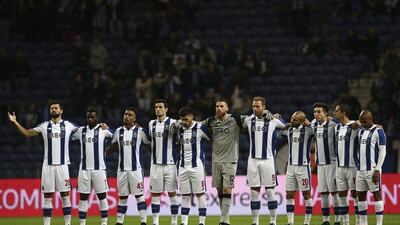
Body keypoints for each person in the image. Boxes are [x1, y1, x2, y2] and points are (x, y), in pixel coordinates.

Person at [8, 101, 77, 225]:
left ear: (61, 111)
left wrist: (100, 127)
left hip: (63, 165)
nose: (53, 110)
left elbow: (85, 131)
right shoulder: (44, 126)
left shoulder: (68, 125)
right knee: (47, 196)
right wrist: (15, 122)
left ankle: (68, 224)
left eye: (56, 108)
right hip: (47, 166)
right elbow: (27, 133)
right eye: (52, 108)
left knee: (65, 195)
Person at [242, 97, 285, 225]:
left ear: (264, 107)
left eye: (257, 106)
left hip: (268, 160)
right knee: (254, 192)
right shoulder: (249, 120)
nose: (255, 109)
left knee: (270, 191)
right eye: (253, 106)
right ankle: (255, 222)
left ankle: (273, 221)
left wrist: (275, 116)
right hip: (253, 160)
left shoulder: (272, 121)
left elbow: (284, 124)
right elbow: (240, 120)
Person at [201, 97, 242, 225]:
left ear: (227, 108)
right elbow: (196, 125)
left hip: (230, 160)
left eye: (221, 106)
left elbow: (253, 119)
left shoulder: (235, 119)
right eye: (217, 106)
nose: (218, 108)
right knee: (219, 190)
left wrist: (268, 115)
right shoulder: (211, 121)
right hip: (216, 161)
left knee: (227, 189)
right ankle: (225, 218)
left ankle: (224, 220)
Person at [107, 107, 149, 225]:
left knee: (139, 196)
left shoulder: (140, 131)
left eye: (130, 115)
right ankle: (119, 222)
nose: (126, 116)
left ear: (134, 118)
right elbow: (112, 149)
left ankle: (143, 221)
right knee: (122, 197)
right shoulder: (118, 131)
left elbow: (149, 146)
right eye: (125, 114)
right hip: (121, 170)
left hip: (135, 170)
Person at [71, 108, 113, 225]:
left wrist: (108, 128)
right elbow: (69, 137)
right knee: (83, 198)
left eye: (92, 117)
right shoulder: (81, 131)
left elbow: (115, 137)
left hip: (99, 169)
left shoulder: (103, 130)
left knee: (102, 197)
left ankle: (104, 223)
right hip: (84, 170)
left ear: (97, 118)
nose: (90, 119)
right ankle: (82, 223)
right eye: (88, 117)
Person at [177, 106, 211, 225]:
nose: (184, 122)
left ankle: (202, 222)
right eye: (182, 120)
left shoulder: (201, 127)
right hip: (182, 166)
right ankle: (184, 222)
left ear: (192, 117)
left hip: (197, 166)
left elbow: (211, 139)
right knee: (185, 195)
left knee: (200, 194)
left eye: (186, 119)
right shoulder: (179, 128)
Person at [148, 99, 180, 225]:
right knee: (155, 194)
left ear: (166, 109)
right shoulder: (151, 124)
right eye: (156, 107)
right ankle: (155, 222)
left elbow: (179, 141)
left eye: (160, 107)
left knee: (172, 194)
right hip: (155, 165)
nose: (158, 109)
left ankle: (174, 221)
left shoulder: (173, 123)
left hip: (170, 164)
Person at [311, 103, 341, 225]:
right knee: (323, 193)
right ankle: (326, 220)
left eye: (319, 111)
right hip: (320, 165)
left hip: (332, 163)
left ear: (325, 113)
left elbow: (347, 126)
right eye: (315, 111)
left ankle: (338, 220)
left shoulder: (334, 124)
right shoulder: (313, 124)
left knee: (334, 192)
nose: (316, 114)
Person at [356, 110, 386, 225]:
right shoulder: (360, 132)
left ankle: (379, 224)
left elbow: (383, 152)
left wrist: (378, 169)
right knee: (361, 197)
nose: (362, 124)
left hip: (372, 169)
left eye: (364, 121)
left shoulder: (379, 131)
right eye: (361, 122)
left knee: (377, 195)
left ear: (370, 119)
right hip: (360, 170)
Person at [333, 103, 360, 225]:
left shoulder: (354, 125)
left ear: (343, 113)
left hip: (352, 167)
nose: (334, 113)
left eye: (337, 111)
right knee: (342, 197)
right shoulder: (337, 128)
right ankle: (346, 223)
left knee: (356, 196)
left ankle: (359, 221)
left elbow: (364, 124)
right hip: (339, 167)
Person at [285, 111, 314, 225]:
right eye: (292, 118)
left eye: (295, 120)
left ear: (302, 121)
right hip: (291, 167)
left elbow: (316, 132)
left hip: (303, 167)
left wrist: (309, 124)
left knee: (306, 194)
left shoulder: (307, 131)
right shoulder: (290, 130)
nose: (292, 121)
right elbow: (279, 124)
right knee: (289, 194)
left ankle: (307, 222)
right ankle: (290, 222)